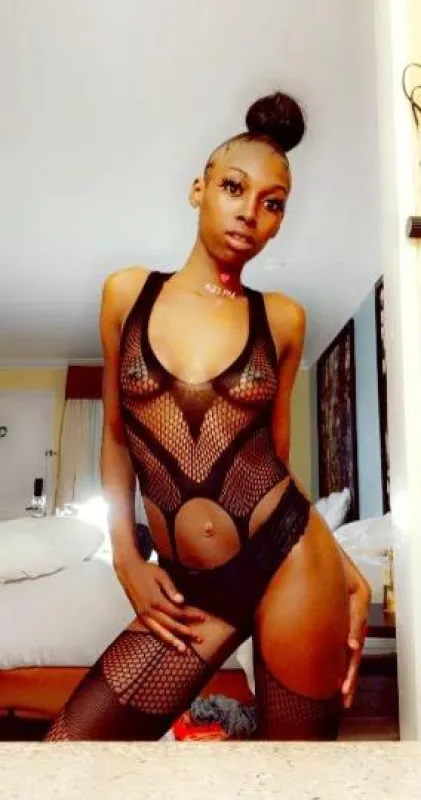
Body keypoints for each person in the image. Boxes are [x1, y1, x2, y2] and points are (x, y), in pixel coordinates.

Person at [45, 91, 371, 742]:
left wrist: (341, 564)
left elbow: (275, 462)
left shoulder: (281, 320)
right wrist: (124, 557)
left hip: (289, 562)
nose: (249, 212)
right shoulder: (127, 294)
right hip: (192, 590)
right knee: (69, 753)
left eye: (272, 203)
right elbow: (116, 437)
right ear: (199, 190)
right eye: (233, 187)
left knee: (296, 776)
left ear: (278, 223)